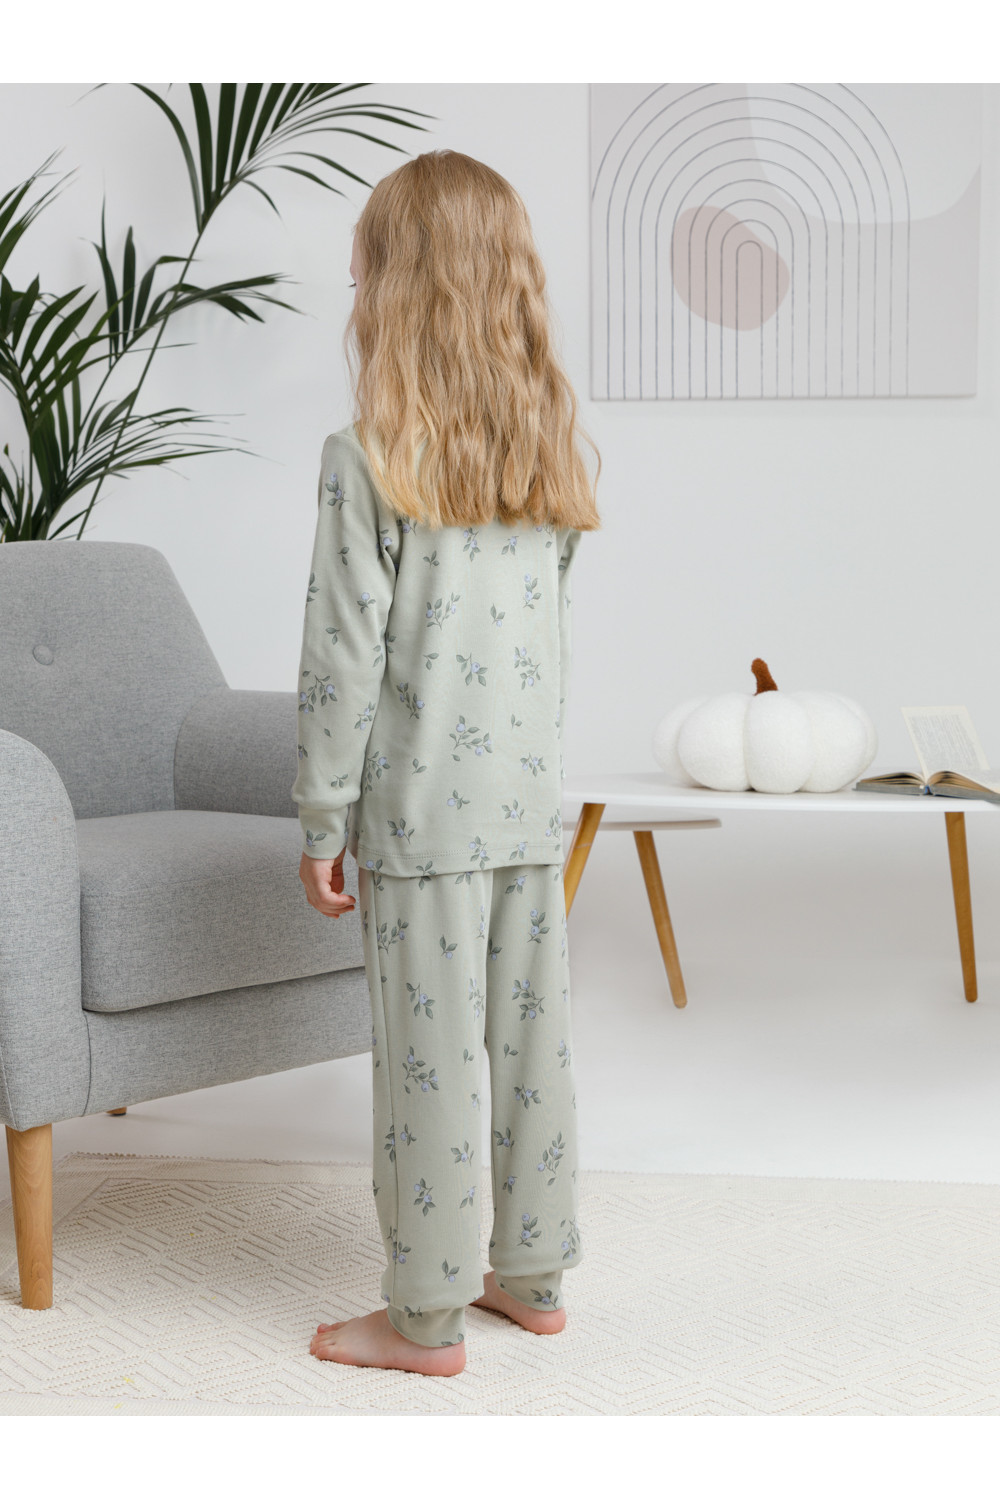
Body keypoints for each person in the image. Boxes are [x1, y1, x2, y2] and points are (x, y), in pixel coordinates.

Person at [290, 149, 602, 1377]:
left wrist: (322, 818)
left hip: (419, 816)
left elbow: (342, 655)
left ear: (392, 287)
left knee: (427, 1062)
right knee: (532, 1049)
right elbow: (550, 639)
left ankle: (422, 1317)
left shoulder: (364, 457)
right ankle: (533, 1276)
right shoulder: (548, 456)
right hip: (524, 803)